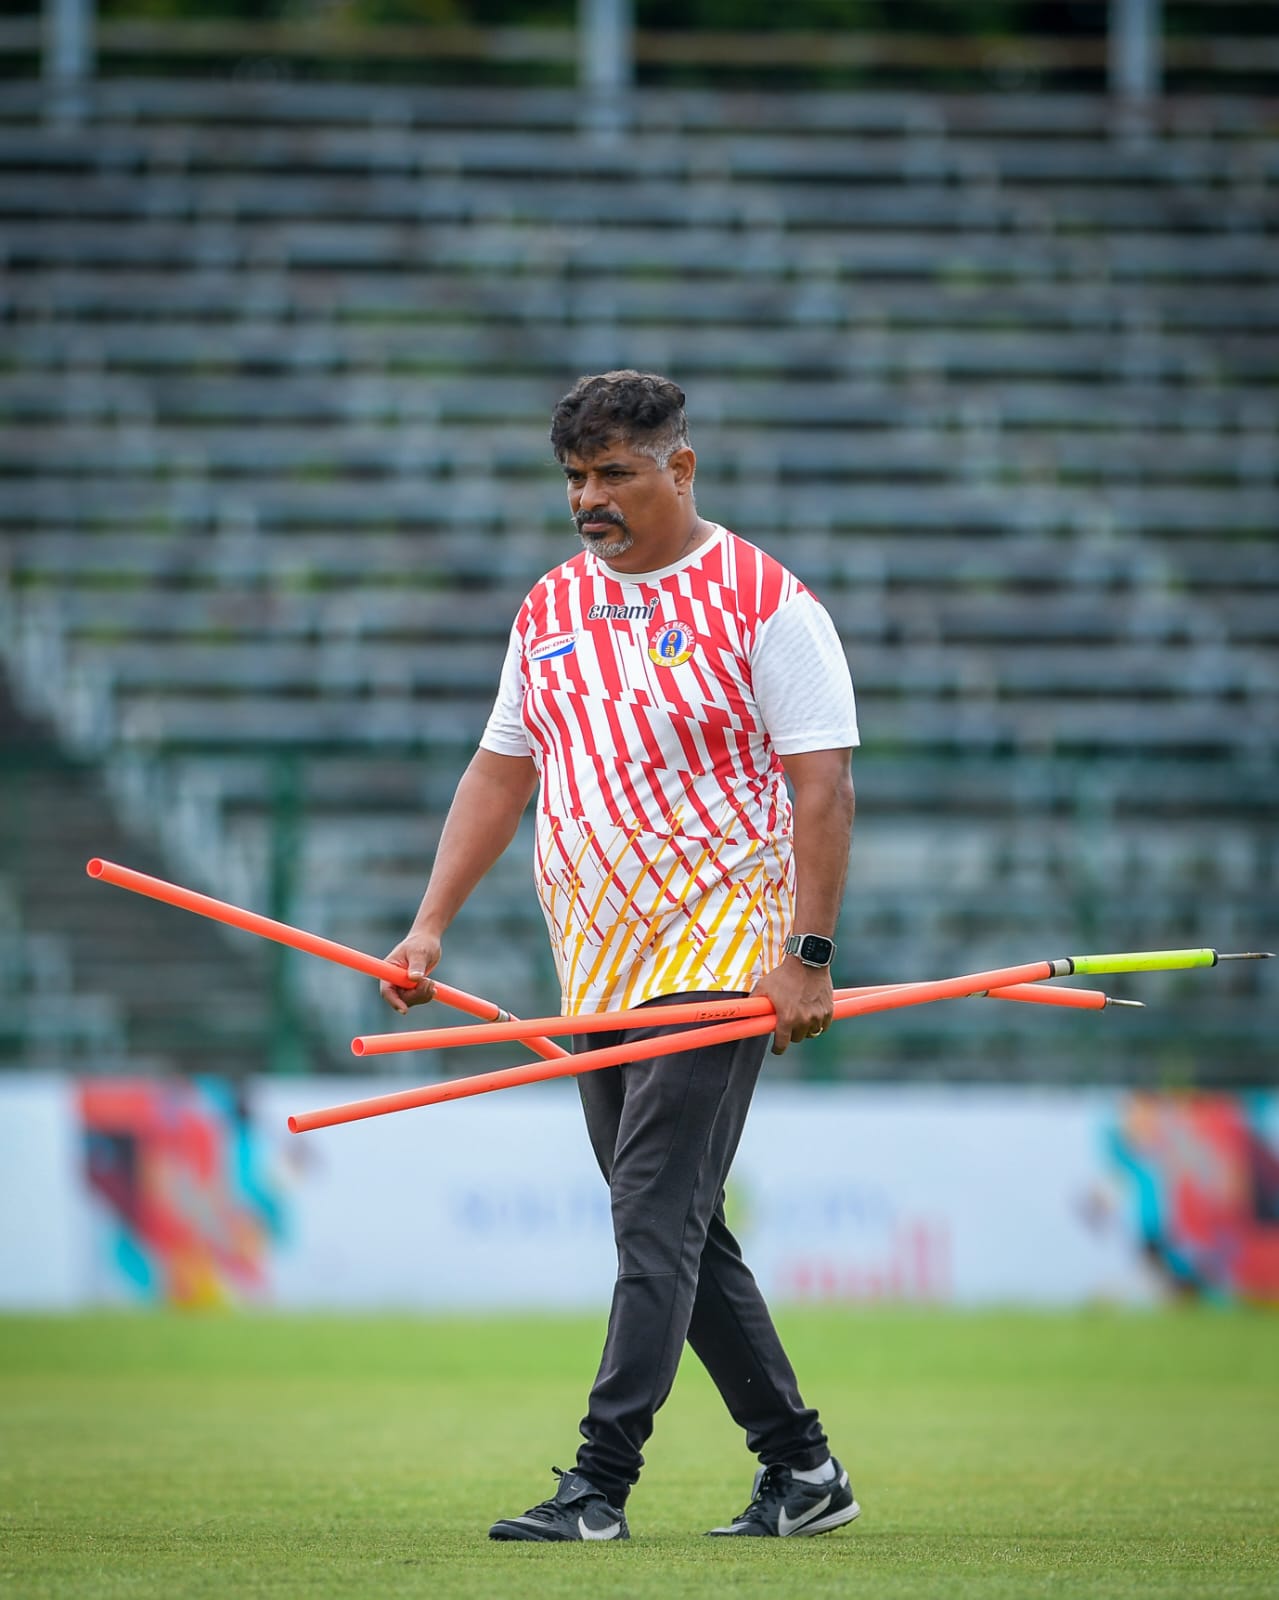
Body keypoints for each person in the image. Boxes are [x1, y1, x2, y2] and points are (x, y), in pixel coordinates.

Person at [381, 370, 861, 1542]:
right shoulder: (547, 608)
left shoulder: (766, 601)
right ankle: (804, 1471)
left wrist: (805, 952)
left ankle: (598, 1485)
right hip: (594, 963)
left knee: (650, 1218)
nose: (588, 499)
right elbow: (502, 772)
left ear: (679, 468)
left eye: (612, 474)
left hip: (720, 952)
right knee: (680, 1227)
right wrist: (429, 921)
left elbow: (822, 785)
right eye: (574, 478)